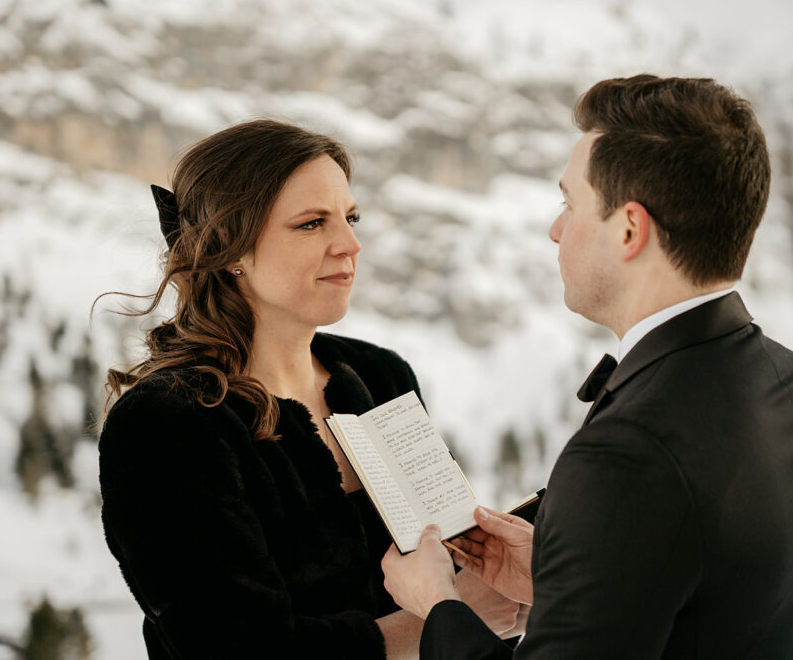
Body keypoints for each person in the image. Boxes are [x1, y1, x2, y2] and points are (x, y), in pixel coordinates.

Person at [381, 75, 793, 659]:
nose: (555, 229)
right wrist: (576, 576)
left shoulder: (630, 453)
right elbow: (725, 600)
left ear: (630, 229)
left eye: (569, 203)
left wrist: (438, 607)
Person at [97, 119, 518, 659]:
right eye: (311, 224)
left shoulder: (379, 377)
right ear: (231, 251)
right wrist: (447, 622)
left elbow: (443, 553)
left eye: (350, 217)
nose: (350, 244)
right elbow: (235, 649)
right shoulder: (168, 424)